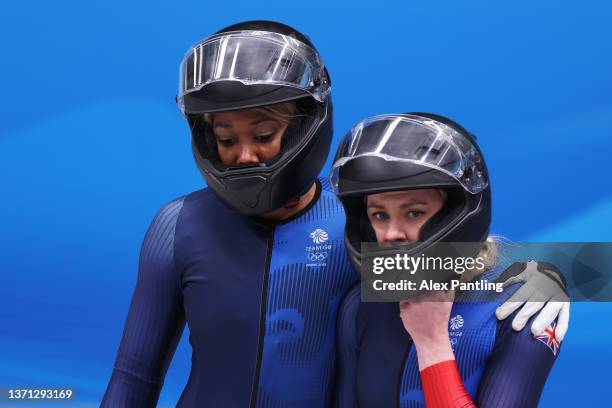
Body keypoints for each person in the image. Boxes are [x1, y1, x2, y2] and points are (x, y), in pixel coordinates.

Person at [101, 20, 568, 407]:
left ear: (307, 123)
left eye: (264, 135)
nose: (244, 156)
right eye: (226, 140)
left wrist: (550, 271)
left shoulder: (359, 222)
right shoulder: (178, 226)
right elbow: (133, 378)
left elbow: (457, 245)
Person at [331, 113, 568, 407]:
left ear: (455, 213)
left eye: (414, 213)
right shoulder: (360, 305)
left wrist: (432, 341)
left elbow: (595, 271)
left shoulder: (520, 308)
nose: (392, 233)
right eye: (379, 215)